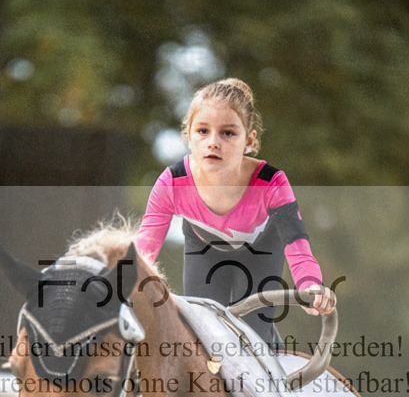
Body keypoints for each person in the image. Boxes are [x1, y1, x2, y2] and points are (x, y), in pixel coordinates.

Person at [136, 77, 336, 348]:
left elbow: (296, 243)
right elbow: (144, 250)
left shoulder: (272, 182)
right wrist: (122, 286)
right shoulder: (172, 182)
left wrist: (310, 284)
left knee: (250, 339)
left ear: (249, 141)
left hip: (261, 251)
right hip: (205, 251)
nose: (213, 142)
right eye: (202, 131)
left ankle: (270, 347)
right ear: (188, 136)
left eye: (228, 133)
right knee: (202, 339)